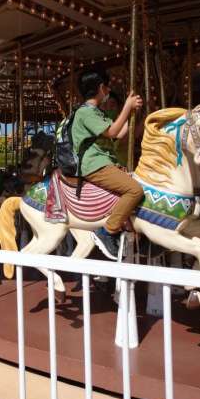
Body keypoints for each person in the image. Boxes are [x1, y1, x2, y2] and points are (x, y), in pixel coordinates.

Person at [71, 68, 144, 259]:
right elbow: (112, 132)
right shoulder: (85, 112)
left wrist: (132, 113)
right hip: (94, 164)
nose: (109, 91)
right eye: (107, 87)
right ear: (101, 88)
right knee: (135, 190)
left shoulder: (97, 112)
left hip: (105, 162)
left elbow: (119, 133)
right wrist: (126, 107)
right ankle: (107, 231)